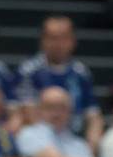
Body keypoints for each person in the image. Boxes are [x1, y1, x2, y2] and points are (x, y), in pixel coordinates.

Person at [16, 15, 104, 147]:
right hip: (42, 143)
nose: (58, 44)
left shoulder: (81, 73)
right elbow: (29, 116)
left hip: (75, 139)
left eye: (64, 38)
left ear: (73, 41)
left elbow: (94, 118)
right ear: (42, 40)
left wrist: (91, 145)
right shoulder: (29, 71)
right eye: (53, 38)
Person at [16, 86, 107, 157]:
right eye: (50, 107)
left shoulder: (79, 144)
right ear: (38, 109)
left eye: (62, 108)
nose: (56, 113)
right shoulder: (29, 133)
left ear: (69, 111)